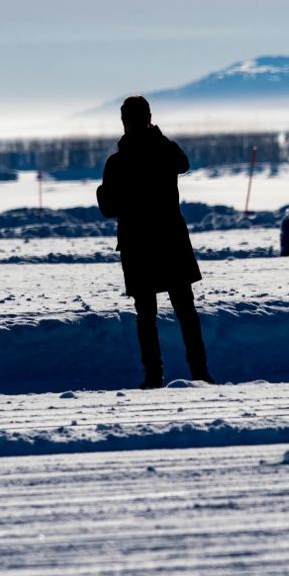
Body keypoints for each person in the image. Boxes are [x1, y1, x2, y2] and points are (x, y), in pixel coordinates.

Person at [97, 95, 213, 388]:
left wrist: (104, 191)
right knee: (186, 311)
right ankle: (199, 373)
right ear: (149, 118)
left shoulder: (118, 162)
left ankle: (153, 376)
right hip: (171, 241)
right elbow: (183, 162)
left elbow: (108, 208)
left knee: (146, 315)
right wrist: (157, 135)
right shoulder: (165, 151)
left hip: (138, 246)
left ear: (124, 122)